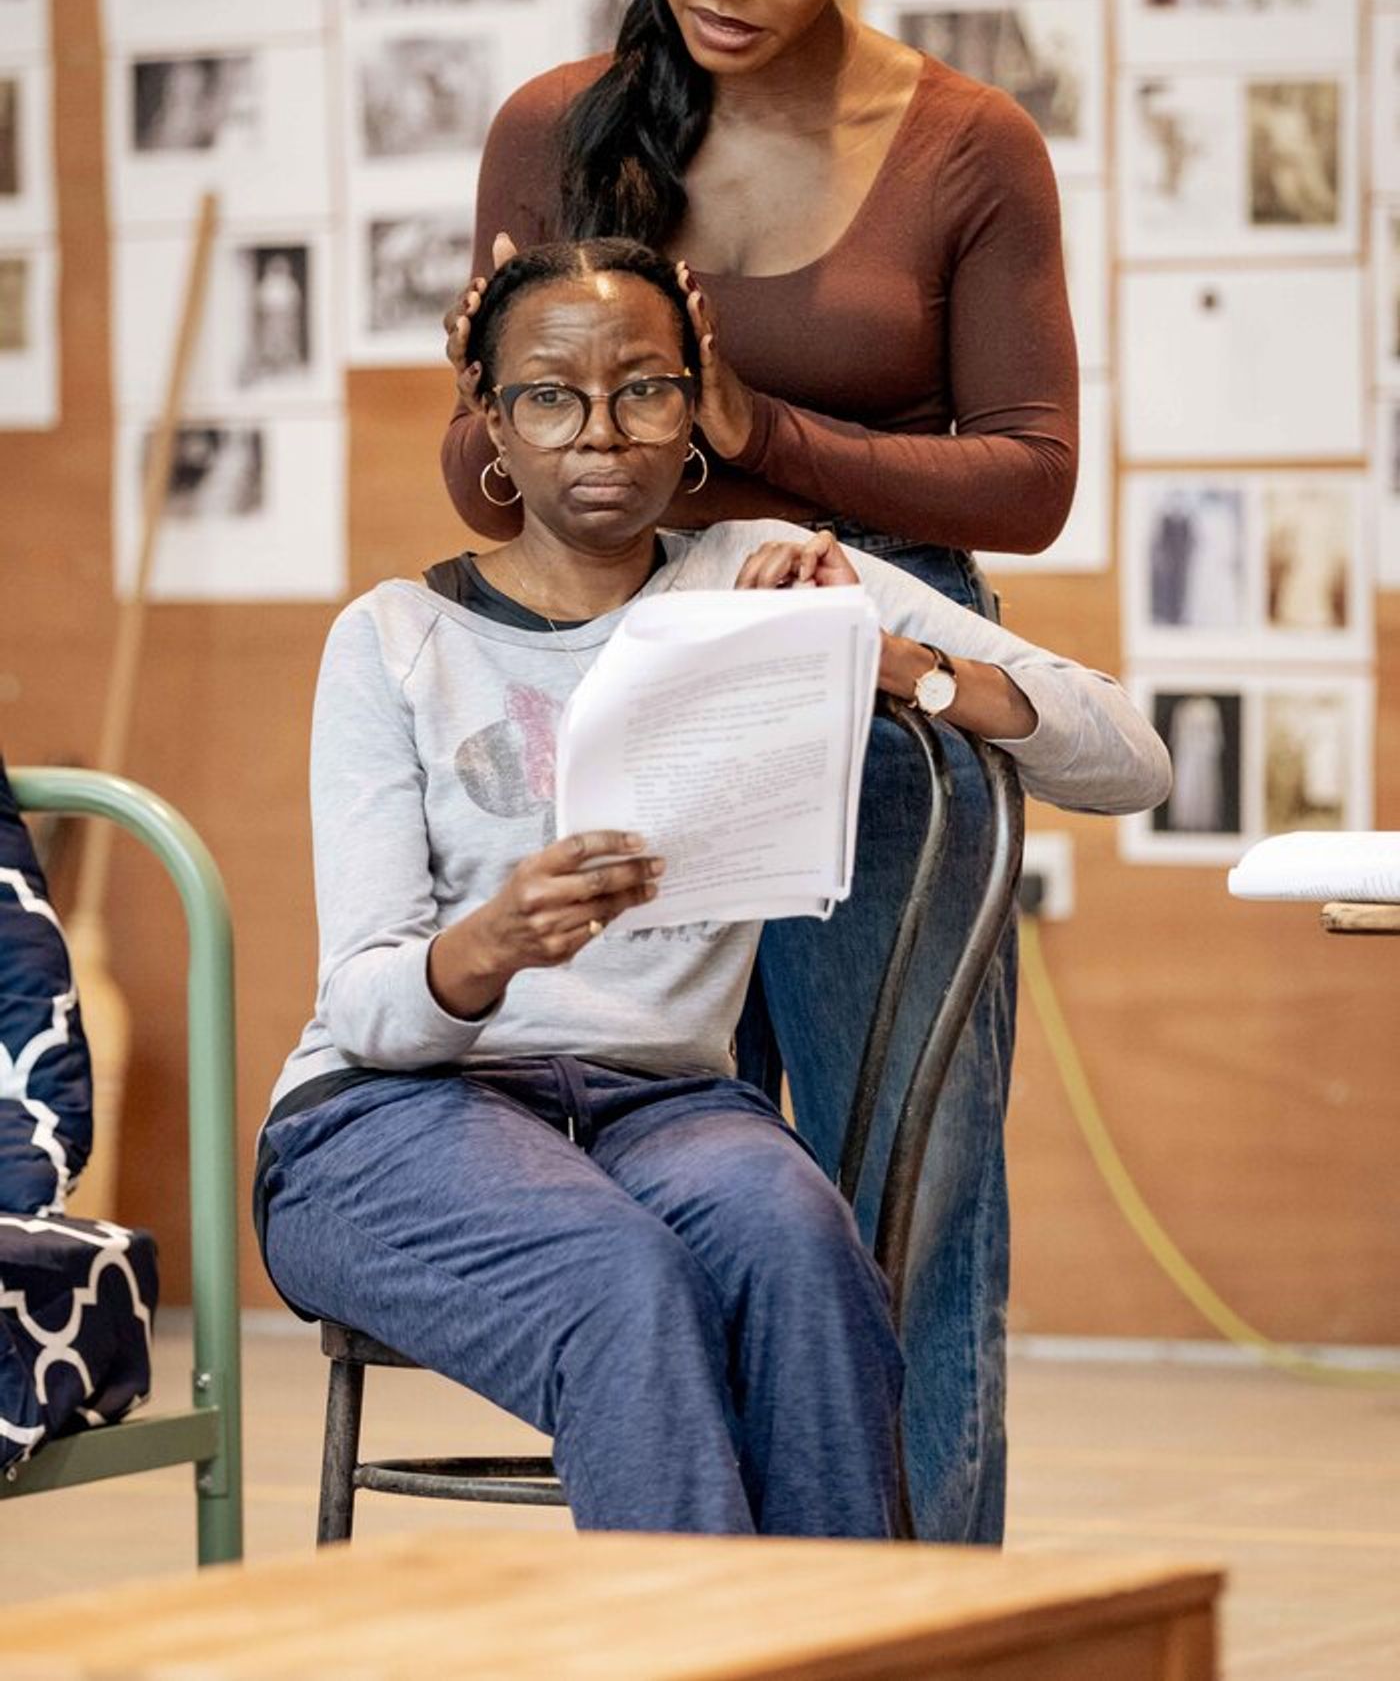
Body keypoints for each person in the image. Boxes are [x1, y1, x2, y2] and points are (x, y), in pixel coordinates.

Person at [257, 238, 1170, 1540]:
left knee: (805, 1254)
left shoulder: (766, 579)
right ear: (491, 427)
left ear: (695, 411)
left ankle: (835, 1648)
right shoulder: (395, 640)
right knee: (619, 1279)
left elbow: (1130, 758)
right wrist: (491, 946)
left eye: (645, 391)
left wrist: (883, 656)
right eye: (549, 398)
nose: (601, 436)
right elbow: (368, 1015)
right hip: (393, 1115)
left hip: (662, 1108)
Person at [439, 0, 1079, 1542]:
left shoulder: (965, 146)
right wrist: (505, 415)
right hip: (622, 689)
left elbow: (1028, 479)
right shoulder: (556, 128)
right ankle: (702, 1602)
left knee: (910, 1190)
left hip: (880, 704)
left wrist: (759, 434)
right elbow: (483, 500)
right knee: (664, 1161)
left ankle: (921, 1616)